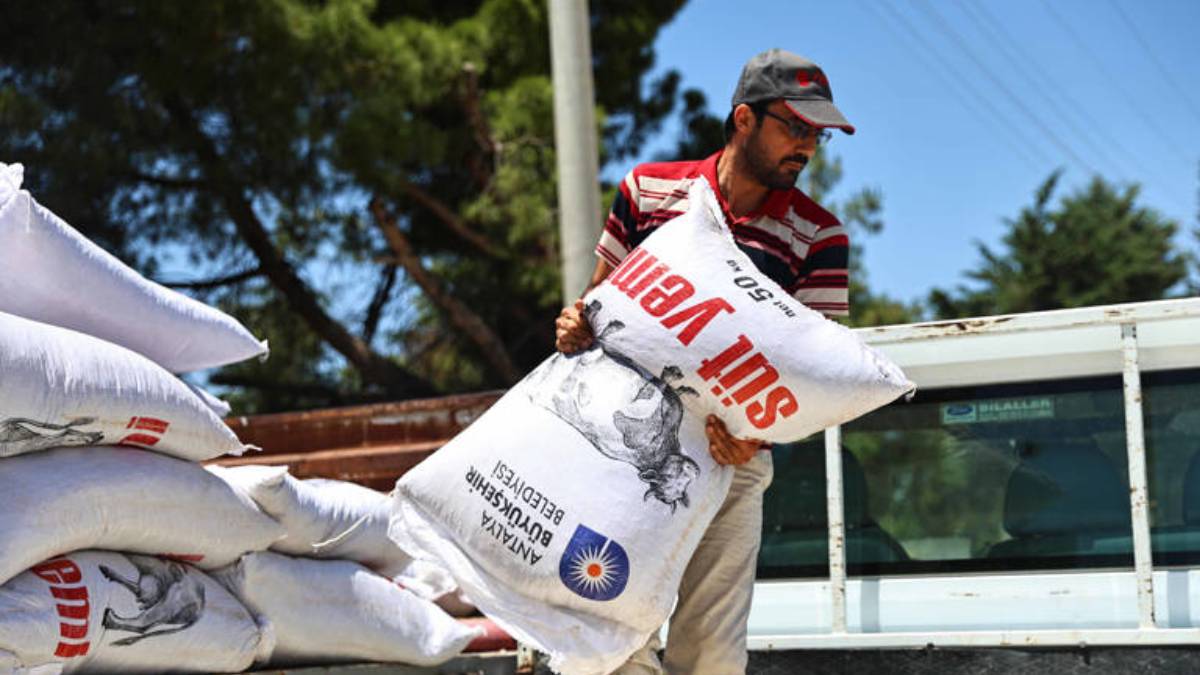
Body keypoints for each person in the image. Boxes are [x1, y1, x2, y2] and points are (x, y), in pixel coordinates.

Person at [554, 48, 855, 674]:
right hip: (620, 444)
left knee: (712, 654)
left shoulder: (819, 237)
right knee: (605, 630)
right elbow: (596, 302)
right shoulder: (649, 190)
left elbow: (817, 371)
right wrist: (574, 324)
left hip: (732, 464)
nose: (807, 146)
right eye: (794, 128)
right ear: (744, 119)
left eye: (817, 135)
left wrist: (755, 436)